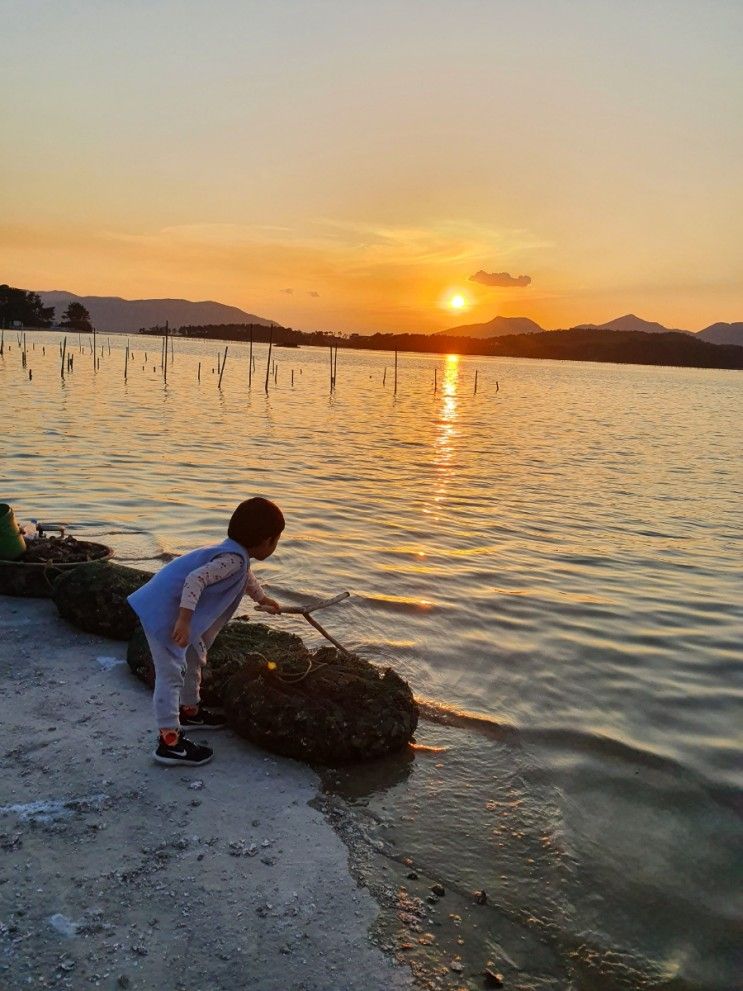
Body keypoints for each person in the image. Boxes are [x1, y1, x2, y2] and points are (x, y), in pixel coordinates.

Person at [127, 497, 284, 766]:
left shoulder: (235, 556)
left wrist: (261, 598)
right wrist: (185, 621)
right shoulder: (233, 560)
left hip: (171, 611)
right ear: (266, 540)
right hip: (165, 615)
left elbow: (246, 577)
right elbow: (195, 579)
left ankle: (190, 711)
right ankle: (169, 742)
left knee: (195, 657)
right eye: (276, 540)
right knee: (170, 674)